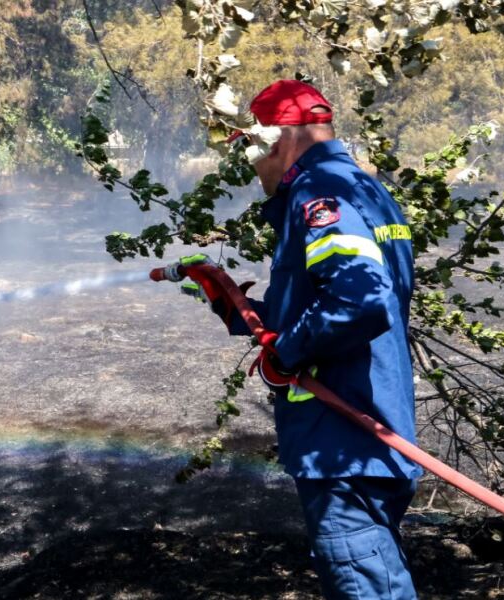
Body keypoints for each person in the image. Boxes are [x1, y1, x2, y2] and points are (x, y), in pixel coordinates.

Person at [168, 80, 422, 599]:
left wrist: (285, 354)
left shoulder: (319, 194)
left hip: (343, 442)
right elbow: (326, 310)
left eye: (249, 150)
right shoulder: (365, 189)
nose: (249, 166)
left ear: (278, 140)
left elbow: (360, 301)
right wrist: (228, 302)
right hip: (367, 434)